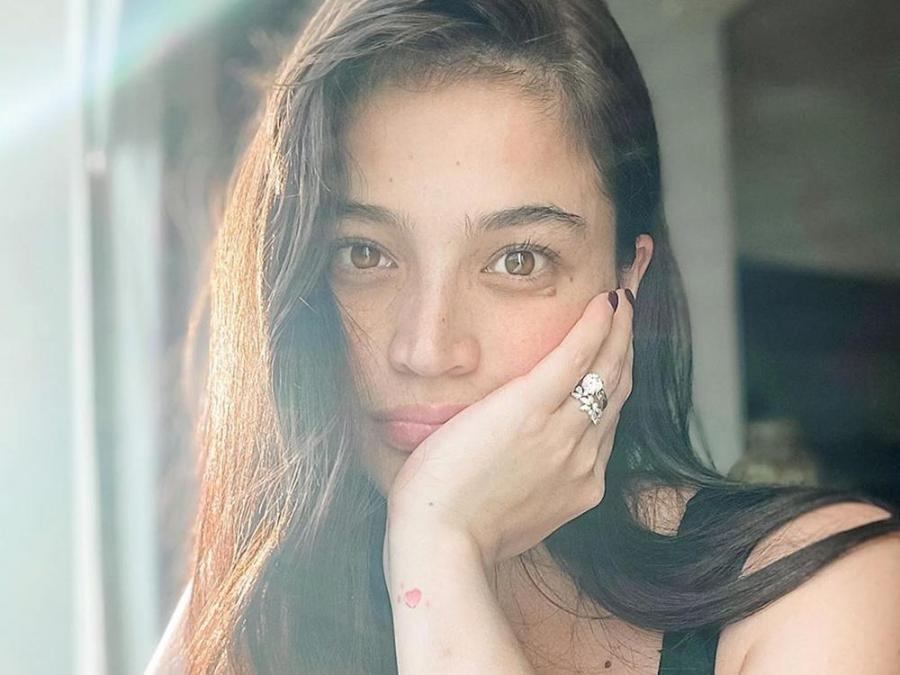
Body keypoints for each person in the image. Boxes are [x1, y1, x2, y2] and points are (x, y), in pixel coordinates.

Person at [146, 1, 900, 673]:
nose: (426, 348)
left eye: (518, 261)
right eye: (365, 254)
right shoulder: (255, 612)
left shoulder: (822, 593)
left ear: (627, 280)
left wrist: (441, 552)